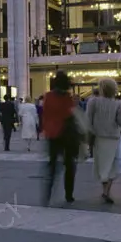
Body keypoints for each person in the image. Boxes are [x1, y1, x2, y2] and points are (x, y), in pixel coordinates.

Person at [41, 71, 80, 206]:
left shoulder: (48, 96)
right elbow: (69, 116)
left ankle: (48, 193)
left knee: (52, 165)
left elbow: (45, 114)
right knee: (70, 165)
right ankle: (69, 194)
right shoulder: (67, 98)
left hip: (52, 134)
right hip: (67, 135)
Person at [87, 77, 121, 203]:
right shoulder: (119, 104)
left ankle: (104, 190)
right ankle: (106, 192)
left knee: (102, 165)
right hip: (113, 137)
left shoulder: (93, 102)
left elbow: (88, 119)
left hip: (99, 137)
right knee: (111, 165)